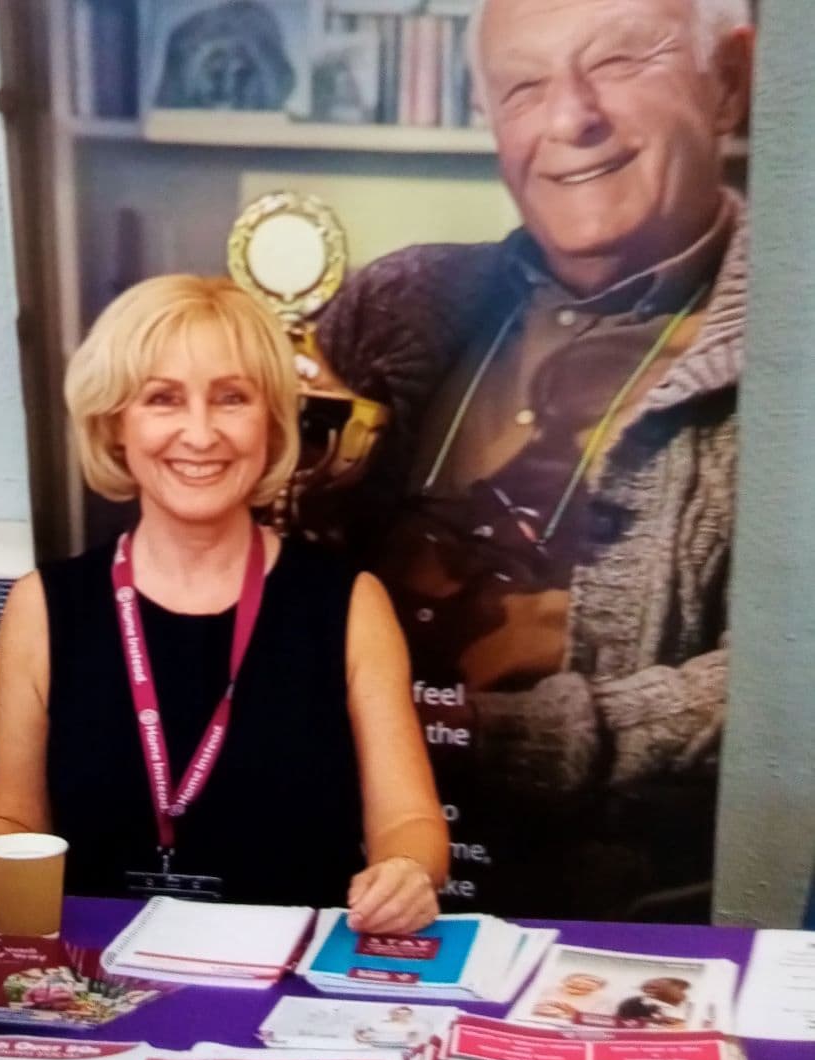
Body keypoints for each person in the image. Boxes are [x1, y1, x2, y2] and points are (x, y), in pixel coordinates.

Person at [308, 0, 754, 920]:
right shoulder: (397, 303)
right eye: (524, 86)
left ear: (731, 83)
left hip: (617, 919)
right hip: (344, 879)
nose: (569, 118)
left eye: (622, 61)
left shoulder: (790, 351)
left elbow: (788, 681)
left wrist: (509, 741)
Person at [0, 274, 449, 933]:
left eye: (231, 398)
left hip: (289, 993)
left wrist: (407, 872)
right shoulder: (43, 607)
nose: (200, 434)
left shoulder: (350, 605)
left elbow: (410, 823)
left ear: (271, 422)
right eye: (163, 399)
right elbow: (12, 816)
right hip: (96, 990)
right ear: (116, 424)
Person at [531, 971, 611, 1021]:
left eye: (588, 986)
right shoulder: (546, 989)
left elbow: (599, 1022)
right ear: (564, 981)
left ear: (597, 989)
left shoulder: (603, 1000)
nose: (580, 986)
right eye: (576, 984)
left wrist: (574, 1013)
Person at [615, 976, 692, 1027]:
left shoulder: (689, 1006)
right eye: (678, 988)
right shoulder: (632, 1003)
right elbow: (621, 1023)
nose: (682, 993)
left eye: (683, 989)